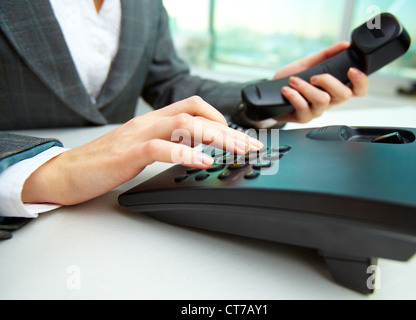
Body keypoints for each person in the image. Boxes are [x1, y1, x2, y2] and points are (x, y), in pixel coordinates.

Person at [0, 0, 368, 221]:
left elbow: (170, 83)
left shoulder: (145, 6)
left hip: (114, 207)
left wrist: (269, 96)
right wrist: (43, 171)